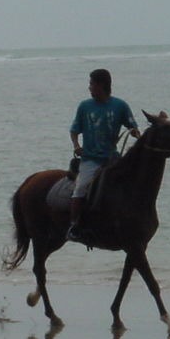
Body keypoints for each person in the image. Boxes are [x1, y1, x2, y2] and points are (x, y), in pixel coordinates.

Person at [67, 69, 140, 242]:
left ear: (101, 85)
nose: (89, 87)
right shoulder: (85, 107)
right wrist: (77, 145)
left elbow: (132, 126)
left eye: (92, 83)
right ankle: (74, 225)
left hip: (112, 158)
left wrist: (136, 133)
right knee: (81, 187)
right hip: (90, 159)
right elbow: (74, 130)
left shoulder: (120, 106)